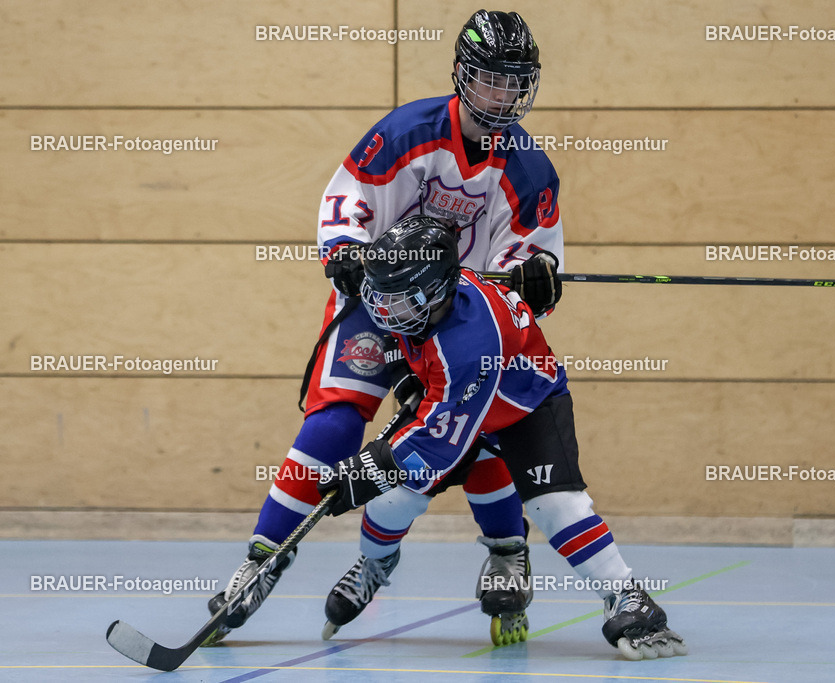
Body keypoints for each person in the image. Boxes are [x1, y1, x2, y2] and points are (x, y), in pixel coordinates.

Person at [203, 9, 562, 647]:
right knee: (335, 423)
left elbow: (529, 260)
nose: (503, 95)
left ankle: (508, 551)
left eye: (515, 82)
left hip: (461, 317)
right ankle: (262, 560)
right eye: (491, 79)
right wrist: (344, 245)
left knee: (480, 435)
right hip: (380, 302)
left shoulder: (530, 168)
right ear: (463, 75)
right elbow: (349, 198)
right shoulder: (407, 131)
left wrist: (536, 277)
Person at [316, 216, 688, 660]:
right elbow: (397, 339)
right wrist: (405, 379)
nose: (383, 310)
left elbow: (437, 445)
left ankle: (629, 597)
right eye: (379, 296)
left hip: (525, 405)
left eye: (396, 299)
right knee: (394, 501)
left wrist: (372, 467)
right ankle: (376, 561)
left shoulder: (468, 342)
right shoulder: (416, 300)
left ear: (438, 291)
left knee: (555, 506)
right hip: (455, 398)